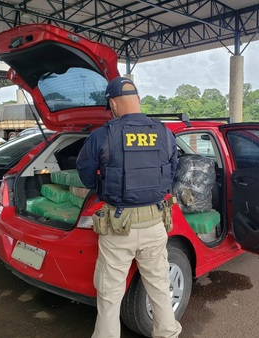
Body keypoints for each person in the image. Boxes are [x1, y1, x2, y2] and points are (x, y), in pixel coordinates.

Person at [76, 76, 181, 338]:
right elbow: (173, 170)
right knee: (159, 285)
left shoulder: (102, 135)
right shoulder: (165, 133)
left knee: (110, 293)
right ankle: (167, 333)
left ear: (112, 103)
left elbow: (85, 171)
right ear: (139, 100)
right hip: (155, 221)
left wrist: (103, 190)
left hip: (118, 225)